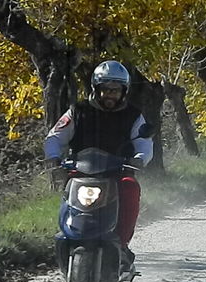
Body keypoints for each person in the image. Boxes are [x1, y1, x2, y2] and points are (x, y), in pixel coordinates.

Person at [44, 60, 153, 270]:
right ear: (96, 89)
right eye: (105, 89)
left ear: (124, 91)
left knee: (130, 187)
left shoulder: (133, 115)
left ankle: (121, 244)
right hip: (81, 171)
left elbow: (144, 142)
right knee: (68, 192)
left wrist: (139, 158)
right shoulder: (77, 111)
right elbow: (55, 137)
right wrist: (53, 156)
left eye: (115, 90)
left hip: (117, 171)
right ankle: (70, 232)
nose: (110, 95)